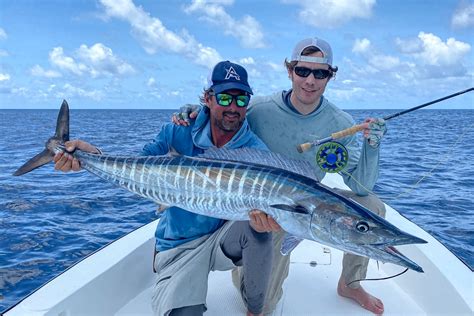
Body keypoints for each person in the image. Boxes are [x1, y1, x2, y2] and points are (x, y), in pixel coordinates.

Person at [172, 37, 388, 315]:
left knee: (372, 208)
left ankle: (351, 283)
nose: (310, 80)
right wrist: (194, 112)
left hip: (311, 204)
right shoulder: (259, 109)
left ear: (329, 77)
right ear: (290, 71)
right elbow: (225, 113)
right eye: (302, 71)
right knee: (264, 304)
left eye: (320, 73)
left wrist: (373, 145)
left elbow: (362, 188)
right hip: (261, 205)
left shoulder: (341, 123)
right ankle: (246, 275)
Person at [53, 60, 282, 316]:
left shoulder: (255, 151)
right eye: (225, 97)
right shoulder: (178, 130)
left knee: (258, 231)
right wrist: (91, 155)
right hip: (180, 244)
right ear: (208, 98)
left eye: (241, 100)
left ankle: (255, 310)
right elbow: (138, 164)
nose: (232, 107)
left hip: (223, 240)